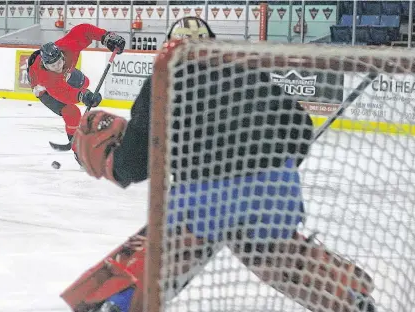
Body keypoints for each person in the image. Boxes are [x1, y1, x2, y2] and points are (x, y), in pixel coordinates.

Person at [61, 17, 376, 312]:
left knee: (167, 251)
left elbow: (135, 162)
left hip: (206, 194)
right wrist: (276, 166)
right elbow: (300, 126)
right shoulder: (247, 70)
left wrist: (111, 161)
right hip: (277, 188)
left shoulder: (163, 77)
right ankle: (349, 297)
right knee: (274, 254)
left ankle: (119, 304)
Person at [27, 23, 125, 162]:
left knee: (85, 82)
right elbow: (63, 93)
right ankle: (78, 150)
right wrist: (83, 96)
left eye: (59, 62)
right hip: (43, 90)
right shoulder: (44, 77)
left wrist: (105, 36)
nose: (58, 67)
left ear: (61, 54)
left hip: (66, 76)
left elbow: (83, 30)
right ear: (45, 65)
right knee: (72, 113)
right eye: (53, 66)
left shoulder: (68, 47)